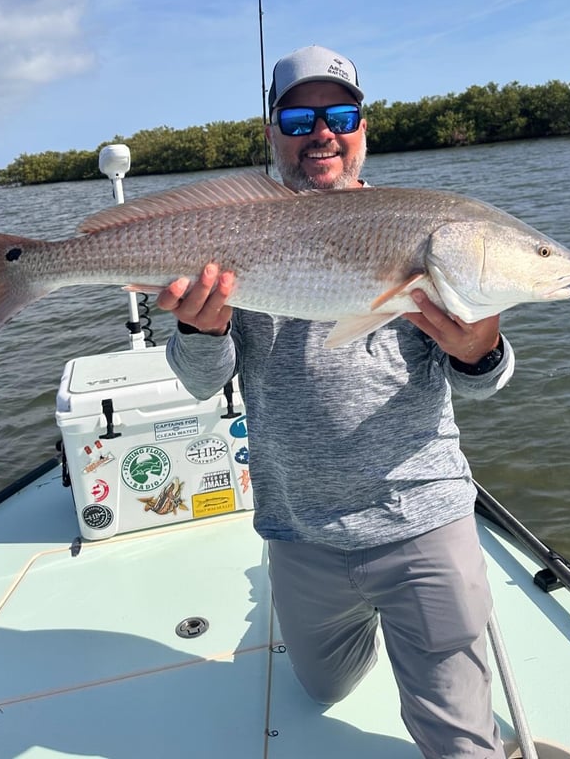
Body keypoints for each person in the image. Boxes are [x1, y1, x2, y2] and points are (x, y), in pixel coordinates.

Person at [158, 45, 513, 758]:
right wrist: (200, 330)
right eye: (298, 116)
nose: (321, 131)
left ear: (362, 130)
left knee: (459, 740)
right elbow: (203, 382)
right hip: (299, 527)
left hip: (421, 518)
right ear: (273, 133)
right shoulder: (233, 231)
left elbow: (485, 374)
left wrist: (479, 350)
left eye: (340, 114)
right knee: (324, 691)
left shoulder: (423, 227)